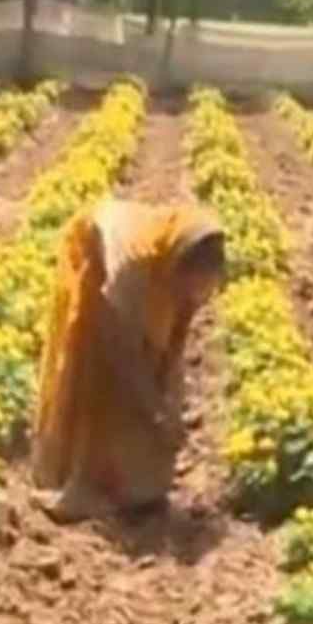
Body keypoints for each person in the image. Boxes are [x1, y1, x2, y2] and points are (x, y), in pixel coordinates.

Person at [31, 199, 226, 522]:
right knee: (98, 374)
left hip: (143, 285)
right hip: (96, 264)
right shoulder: (133, 264)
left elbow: (176, 342)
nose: (193, 297)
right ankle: (76, 484)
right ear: (179, 268)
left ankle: (129, 480)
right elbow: (118, 347)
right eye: (188, 288)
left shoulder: (184, 272)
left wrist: (171, 406)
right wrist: (154, 409)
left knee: (147, 379)